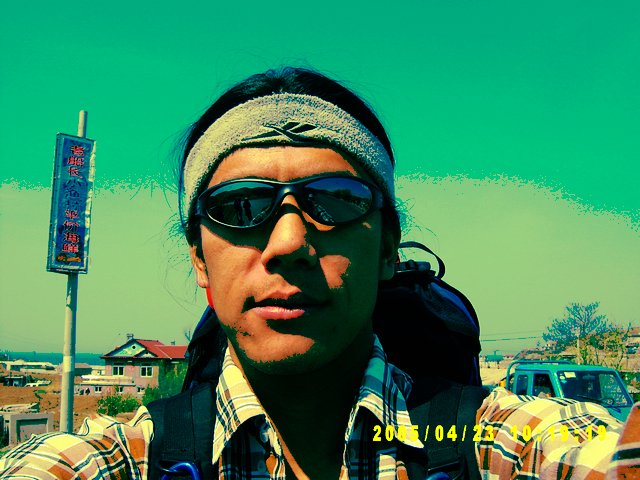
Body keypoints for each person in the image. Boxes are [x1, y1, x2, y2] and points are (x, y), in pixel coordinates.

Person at [0, 67, 637, 480]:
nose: (288, 243)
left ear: (388, 249)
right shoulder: (131, 460)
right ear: (198, 257)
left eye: (335, 200)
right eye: (239, 207)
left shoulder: (481, 439)